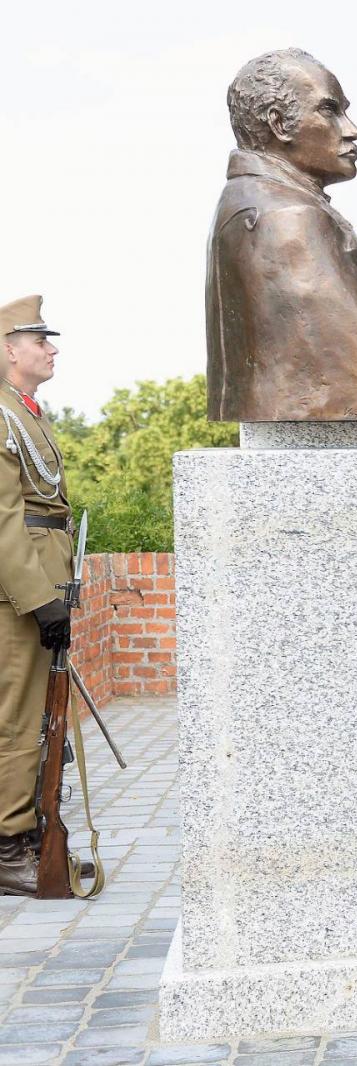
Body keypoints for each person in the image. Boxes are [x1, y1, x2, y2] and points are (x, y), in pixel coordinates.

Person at [208, 49, 357, 422]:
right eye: (330, 110)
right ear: (279, 124)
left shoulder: (253, 201)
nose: (352, 129)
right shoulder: (288, 219)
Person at [0, 296, 76, 897]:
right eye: (40, 340)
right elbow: (3, 520)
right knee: (20, 720)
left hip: (43, 575)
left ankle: (29, 832)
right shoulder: (1, 416)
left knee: (43, 720)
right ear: (8, 349)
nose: (52, 350)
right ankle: (9, 847)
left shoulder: (26, 413)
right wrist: (38, 598)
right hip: (18, 589)